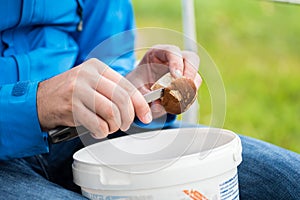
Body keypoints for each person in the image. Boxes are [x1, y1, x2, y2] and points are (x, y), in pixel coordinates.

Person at [0, 0, 299, 199]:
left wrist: (127, 90)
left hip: (82, 129)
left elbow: (105, 54)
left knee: (291, 181)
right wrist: (35, 104)